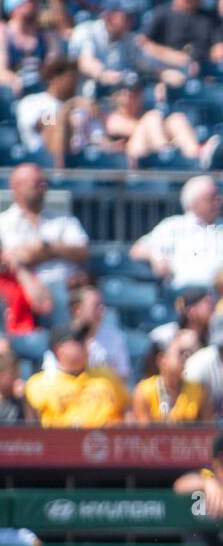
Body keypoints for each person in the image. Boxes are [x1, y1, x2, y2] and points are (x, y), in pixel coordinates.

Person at [0, 163, 90, 327]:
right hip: (23, 289)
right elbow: (7, 259)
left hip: (66, 284)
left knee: (90, 301)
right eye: (36, 184)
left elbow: (82, 250)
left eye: (44, 183)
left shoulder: (63, 218)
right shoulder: (3, 222)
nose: (43, 188)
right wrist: (53, 251)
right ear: (16, 187)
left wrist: (47, 248)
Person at [130, 175, 223, 291]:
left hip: (222, 295)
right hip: (185, 294)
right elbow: (137, 249)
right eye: (212, 198)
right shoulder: (173, 225)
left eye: (219, 197)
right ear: (194, 203)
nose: (219, 201)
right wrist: (155, 255)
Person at [24, 324, 130, 428]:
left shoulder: (107, 375)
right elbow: (32, 428)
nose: (85, 344)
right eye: (78, 340)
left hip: (109, 441)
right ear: (58, 349)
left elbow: (129, 410)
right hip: (62, 442)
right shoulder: (39, 383)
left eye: (85, 339)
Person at [132, 332, 212, 423]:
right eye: (180, 353)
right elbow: (143, 433)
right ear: (162, 359)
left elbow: (208, 430)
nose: (185, 357)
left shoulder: (198, 391)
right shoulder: (144, 391)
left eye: (186, 353)